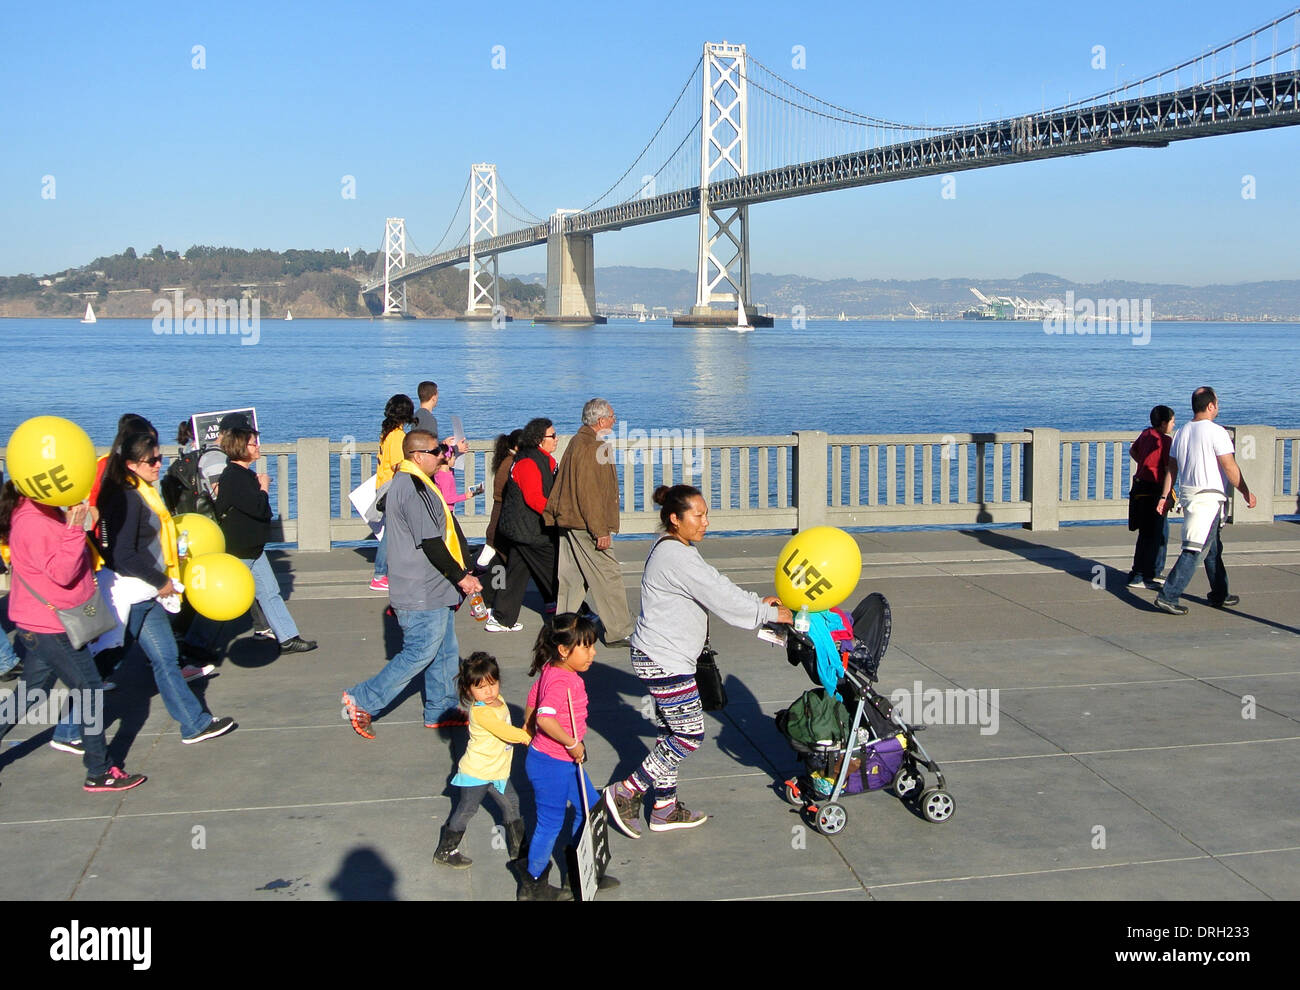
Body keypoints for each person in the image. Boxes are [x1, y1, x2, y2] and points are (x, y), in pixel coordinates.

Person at [604, 484, 793, 838]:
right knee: (689, 734)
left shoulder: (675, 548)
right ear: (675, 519)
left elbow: (715, 584)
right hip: (664, 658)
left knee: (669, 734)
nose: (706, 521)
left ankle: (664, 808)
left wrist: (758, 603)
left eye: (707, 514)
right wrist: (764, 613)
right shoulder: (676, 556)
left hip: (658, 653)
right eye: (699, 515)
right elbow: (719, 595)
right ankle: (627, 790)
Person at [0, 477, 146, 791]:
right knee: (90, 688)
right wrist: (74, 530)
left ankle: (98, 767)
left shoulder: (40, 510)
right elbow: (63, 573)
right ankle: (99, 770)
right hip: (50, 627)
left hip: (42, 623)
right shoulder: (32, 520)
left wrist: (70, 521)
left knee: (29, 693)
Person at [97, 432, 236, 744]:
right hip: (133, 592)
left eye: (160, 457)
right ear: (131, 464)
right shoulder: (128, 499)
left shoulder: (139, 491)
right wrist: (161, 581)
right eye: (153, 460)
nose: (160, 464)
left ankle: (194, 724)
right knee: (107, 661)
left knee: (165, 658)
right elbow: (123, 555)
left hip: (144, 592)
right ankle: (69, 729)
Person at [342, 430, 482, 738]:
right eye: (437, 451)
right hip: (420, 590)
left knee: (445, 651)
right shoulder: (413, 488)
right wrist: (463, 577)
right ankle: (362, 698)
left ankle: (441, 707)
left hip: (436, 587)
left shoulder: (416, 482)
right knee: (419, 652)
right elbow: (431, 543)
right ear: (417, 456)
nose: (443, 455)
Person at [183, 416, 316, 655]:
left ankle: (287, 638)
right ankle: (195, 644)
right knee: (223, 598)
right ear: (242, 448)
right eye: (254, 443)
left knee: (270, 592)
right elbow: (260, 509)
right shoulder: (234, 476)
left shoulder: (240, 476)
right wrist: (263, 486)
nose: (258, 447)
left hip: (252, 548)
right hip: (239, 549)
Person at [519, 613, 618, 900]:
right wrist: (572, 743)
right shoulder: (564, 681)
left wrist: (526, 725)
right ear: (564, 650)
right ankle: (533, 883)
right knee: (550, 821)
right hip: (552, 763)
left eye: (592, 646)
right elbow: (546, 719)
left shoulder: (552, 669)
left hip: (561, 761)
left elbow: (532, 699)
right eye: (586, 647)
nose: (593, 653)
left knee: (589, 808)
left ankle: (581, 868)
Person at [1154, 387, 1256, 615]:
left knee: (1212, 548)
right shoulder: (1216, 432)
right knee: (1194, 548)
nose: (1218, 407)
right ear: (1210, 406)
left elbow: (1171, 468)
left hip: (1189, 495)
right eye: (1217, 403)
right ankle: (1168, 595)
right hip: (1208, 497)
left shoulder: (1180, 433)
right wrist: (1246, 491)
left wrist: (1165, 496)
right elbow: (1230, 467)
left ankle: (1220, 593)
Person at [544, 398, 633, 646]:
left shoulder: (578, 441)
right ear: (601, 420)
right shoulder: (591, 446)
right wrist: (600, 530)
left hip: (571, 520)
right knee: (608, 575)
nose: (615, 421)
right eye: (612, 417)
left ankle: (561, 628)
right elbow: (589, 493)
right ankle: (619, 631)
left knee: (571, 578)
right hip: (586, 524)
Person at [434, 652, 531, 870]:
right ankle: (446, 850)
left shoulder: (499, 701)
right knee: (467, 809)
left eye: (492, 684)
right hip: (477, 773)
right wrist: (527, 737)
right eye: (480, 687)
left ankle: (519, 851)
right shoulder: (481, 713)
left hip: (497, 771)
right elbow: (504, 731)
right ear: (469, 690)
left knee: (512, 802)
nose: (488, 691)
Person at [487, 418, 559, 633]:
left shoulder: (543, 460)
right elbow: (534, 498)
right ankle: (572, 613)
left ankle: (501, 618)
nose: (556, 439)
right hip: (530, 529)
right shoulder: (528, 462)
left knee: (517, 572)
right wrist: (558, 514)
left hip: (521, 529)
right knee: (554, 569)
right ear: (539, 440)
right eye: (552, 436)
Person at [370, 394, 417, 592]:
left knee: (395, 530)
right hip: (392, 487)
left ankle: (391, 571)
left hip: (383, 484)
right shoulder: (398, 436)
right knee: (392, 532)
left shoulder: (387, 433)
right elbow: (399, 464)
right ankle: (380, 574)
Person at [1126, 405, 1175, 591]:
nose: (1173, 424)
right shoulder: (1164, 441)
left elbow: (1133, 451)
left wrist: (1145, 464)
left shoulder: (1146, 434)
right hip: (1155, 488)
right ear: (1163, 423)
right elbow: (1168, 469)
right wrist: (1167, 494)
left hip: (1140, 487)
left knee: (1147, 532)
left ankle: (1144, 572)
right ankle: (1145, 574)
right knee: (1155, 533)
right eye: (1172, 421)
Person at [480, 429, 522, 608]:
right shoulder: (511, 464)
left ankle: (489, 599)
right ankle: (491, 601)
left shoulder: (506, 461)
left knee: (499, 559)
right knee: (503, 560)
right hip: (503, 517)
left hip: (499, 517)